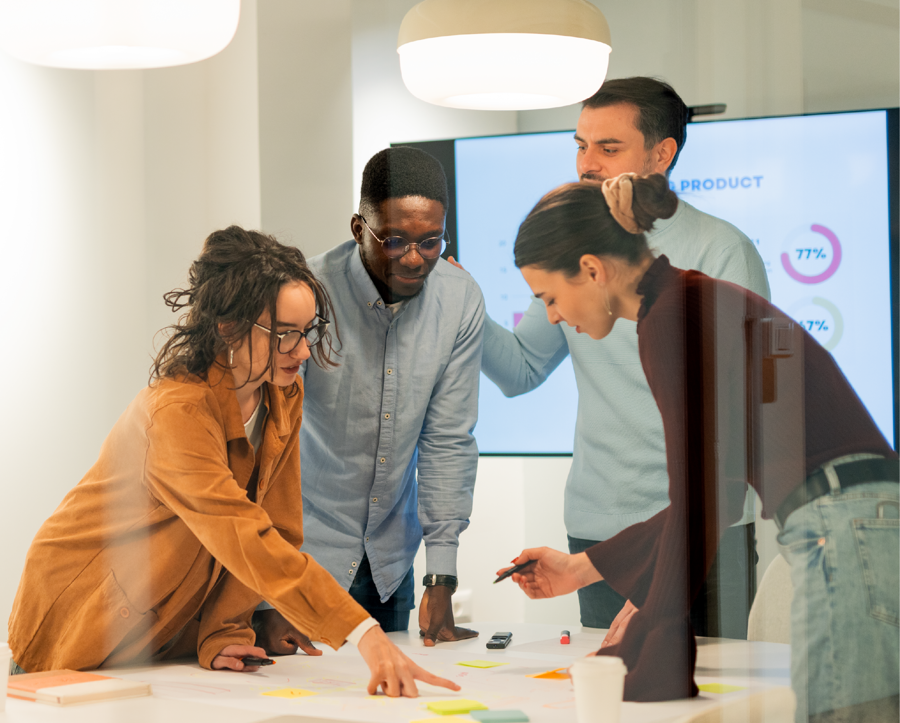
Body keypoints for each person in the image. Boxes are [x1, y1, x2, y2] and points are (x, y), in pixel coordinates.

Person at [501, 174, 899, 720]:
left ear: (592, 270)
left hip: (842, 522)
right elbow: (716, 492)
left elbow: (701, 501)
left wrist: (652, 633)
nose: (552, 316)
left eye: (550, 298)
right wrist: (583, 567)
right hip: (859, 518)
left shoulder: (670, 318)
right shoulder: (685, 299)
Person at [7, 226, 460, 698]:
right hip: (80, 614)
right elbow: (243, 533)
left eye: (308, 331)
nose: (303, 351)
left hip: (155, 632)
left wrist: (224, 631)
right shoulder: (175, 413)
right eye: (285, 335)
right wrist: (362, 631)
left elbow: (277, 527)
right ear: (228, 326)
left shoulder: (282, 393)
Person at [475, 77, 770, 637]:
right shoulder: (573, 248)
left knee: (713, 685)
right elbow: (520, 369)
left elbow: (738, 423)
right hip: (599, 525)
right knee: (613, 683)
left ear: (662, 154)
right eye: (581, 145)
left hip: (707, 527)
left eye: (608, 148)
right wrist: (457, 299)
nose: (587, 164)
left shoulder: (720, 251)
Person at [255, 147, 483, 652]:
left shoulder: (460, 299)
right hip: (303, 558)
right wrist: (267, 596)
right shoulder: (306, 293)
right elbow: (268, 442)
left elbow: (447, 440)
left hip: (389, 565)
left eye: (431, 242)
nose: (414, 258)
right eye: (395, 240)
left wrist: (440, 577)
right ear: (359, 229)